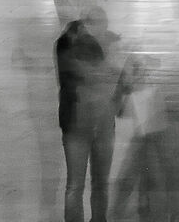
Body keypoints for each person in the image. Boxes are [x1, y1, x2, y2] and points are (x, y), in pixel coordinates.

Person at [56, 13, 128, 222]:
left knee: (98, 183)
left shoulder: (107, 43)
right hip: (77, 126)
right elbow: (79, 75)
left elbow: (119, 84)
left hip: (102, 126)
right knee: (76, 185)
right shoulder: (68, 43)